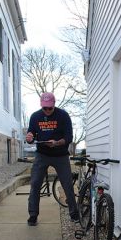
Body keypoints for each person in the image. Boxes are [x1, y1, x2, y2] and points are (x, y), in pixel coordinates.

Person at [26, 92, 79, 226]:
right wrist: (30, 137)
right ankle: (33, 215)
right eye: (45, 108)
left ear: (54, 104)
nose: (48, 111)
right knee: (35, 184)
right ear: (41, 105)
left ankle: (74, 213)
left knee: (67, 185)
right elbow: (31, 134)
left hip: (60, 155)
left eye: (50, 108)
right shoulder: (35, 116)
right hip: (42, 154)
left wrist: (57, 143)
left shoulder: (63, 115)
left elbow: (69, 138)